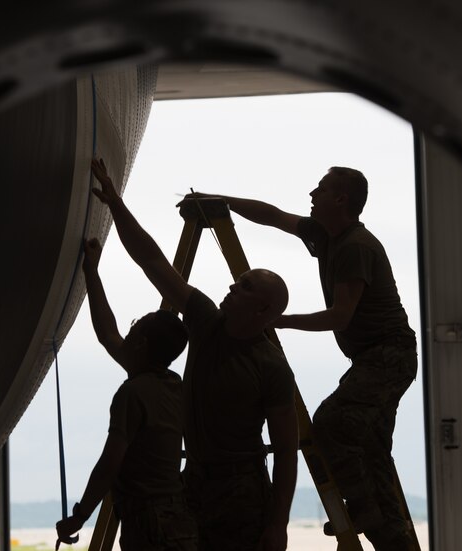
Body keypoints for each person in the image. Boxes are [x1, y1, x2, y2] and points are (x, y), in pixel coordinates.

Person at [190, 166, 420, 551]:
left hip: (388, 356)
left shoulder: (355, 247)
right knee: (371, 450)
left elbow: (339, 316)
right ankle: (391, 534)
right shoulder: (323, 234)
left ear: (340, 199)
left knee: (331, 424)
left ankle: (363, 511)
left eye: (322, 189)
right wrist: (223, 202)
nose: (313, 193)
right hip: (370, 358)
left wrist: (276, 320)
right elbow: (274, 216)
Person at [89, 157, 298, 551]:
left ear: (265, 311)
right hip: (195, 480)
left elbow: (287, 450)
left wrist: (279, 524)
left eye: (246, 286)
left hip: (243, 490)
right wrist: (115, 204)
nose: (234, 288)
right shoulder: (206, 318)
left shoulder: (271, 367)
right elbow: (152, 262)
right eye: (239, 281)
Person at [55, 237, 197, 551]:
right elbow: (108, 334)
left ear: (141, 343)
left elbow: (109, 464)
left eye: (134, 326)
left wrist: (79, 517)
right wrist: (90, 270)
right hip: (179, 516)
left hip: (149, 522)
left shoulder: (133, 392)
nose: (127, 331)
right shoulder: (171, 384)